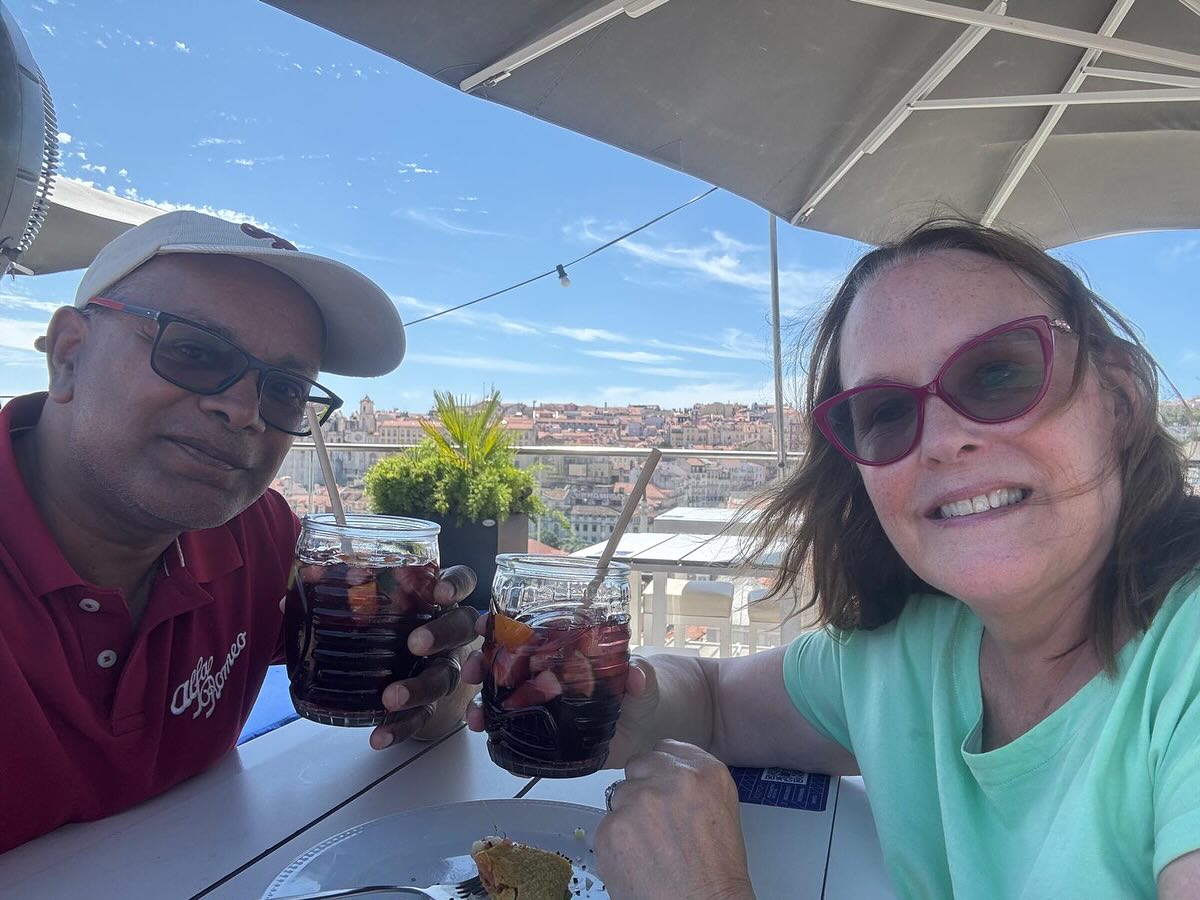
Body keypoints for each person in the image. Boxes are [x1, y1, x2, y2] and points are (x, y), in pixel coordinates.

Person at [464, 218, 1200, 899]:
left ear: (1122, 397)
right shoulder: (908, 656)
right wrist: (625, 706)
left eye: (999, 373)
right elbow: (716, 701)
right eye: (885, 412)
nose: (943, 438)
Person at [0, 211, 480, 853]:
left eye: (284, 388)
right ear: (69, 355)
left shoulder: (261, 535)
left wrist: (432, 675)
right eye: (195, 352)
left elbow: (414, 705)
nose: (244, 410)